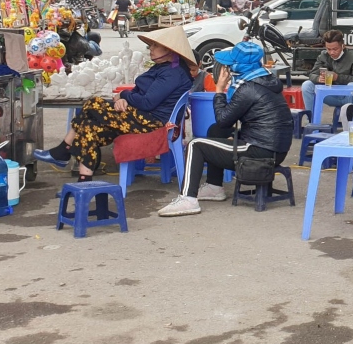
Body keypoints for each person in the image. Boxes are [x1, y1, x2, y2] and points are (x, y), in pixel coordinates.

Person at [34, 26, 198, 181]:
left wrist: (123, 95)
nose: (151, 49)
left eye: (155, 46)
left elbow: (148, 102)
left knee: (93, 103)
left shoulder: (173, 73)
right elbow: (141, 92)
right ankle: (84, 181)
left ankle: (63, 150)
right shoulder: (163, 66)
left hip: (151, 122)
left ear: (169, 50)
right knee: (88, 126)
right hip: (139, 115)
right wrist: (125, 99)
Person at [158, 41, 293, 217]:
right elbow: (223, 126)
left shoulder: (248, 89)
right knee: (215, 131)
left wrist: (220, 90)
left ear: (238, 66)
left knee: (195, 145)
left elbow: (223, 119)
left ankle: (188, 199)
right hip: (273, 146)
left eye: (229, 64)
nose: (226, 68)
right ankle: (215, 187)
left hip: (261, 150)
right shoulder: (264, 80)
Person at [300, 29, 353, 127]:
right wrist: (318, 78)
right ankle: (312, 122)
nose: (331, 52)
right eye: (328, 49)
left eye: (335, 49)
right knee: (307, 85)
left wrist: (338, 77)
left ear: (343, 46)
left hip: (348, 97)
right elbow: (311, 74)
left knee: (352, 85)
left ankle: (349, 120)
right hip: (329, 95)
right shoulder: (323, 56)